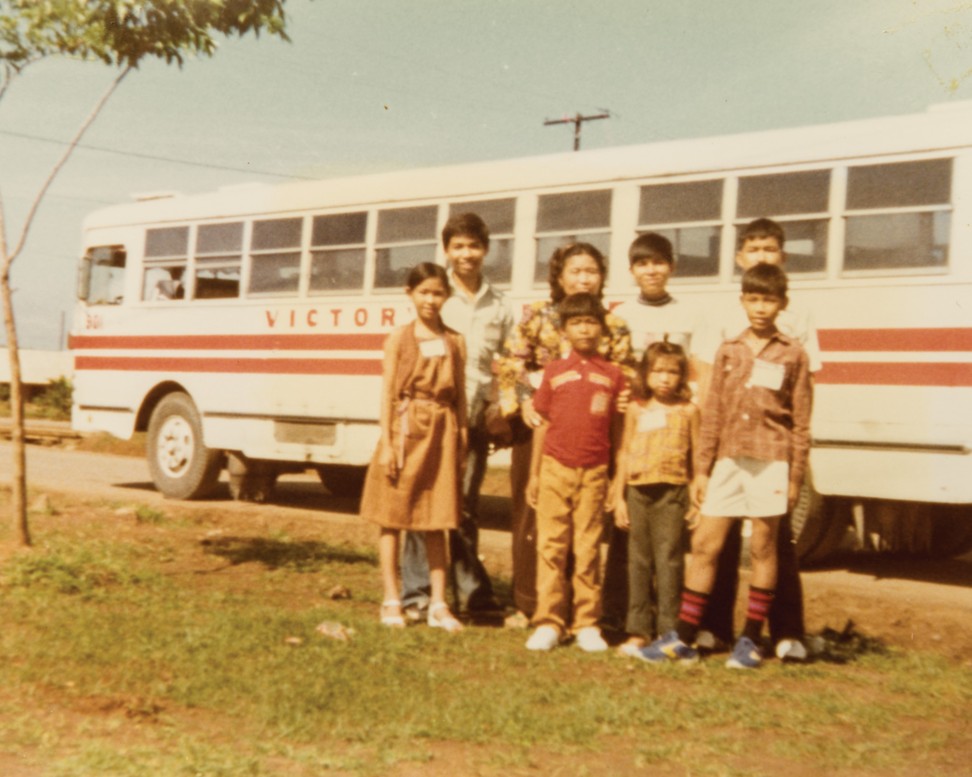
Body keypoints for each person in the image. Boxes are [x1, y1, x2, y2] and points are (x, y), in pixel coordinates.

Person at [641, 263, 812, 668]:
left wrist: (795, 478)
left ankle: (750, 639)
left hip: (771, 460)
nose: (760, 308)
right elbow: (713, 412)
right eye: (753, 299)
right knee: (705, 544)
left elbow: (801, 423)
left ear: (782, 304)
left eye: (769, 299)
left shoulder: (793, 354)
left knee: (763, 548)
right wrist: (702, 470)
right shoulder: (728, 350)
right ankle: (683, 635)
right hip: (728, 461)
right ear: (742, 301)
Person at [692, 218, 821, 662]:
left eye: (771, 249)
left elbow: (802, 394)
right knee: (718, 539)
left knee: (773, 543)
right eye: (754, 249)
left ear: (782, 258)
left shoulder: (797, 318)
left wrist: (796, 466)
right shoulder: (721, 316)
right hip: (730, 444)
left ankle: (785, 631)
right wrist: (705, 458)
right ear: (739, 257)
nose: (762, 256)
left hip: (771, 448)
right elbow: (708, 380)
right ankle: (712, 628)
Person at [496, 243, 633, 628]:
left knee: (587, 525)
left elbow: (626, 373)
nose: (583, 278)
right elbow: (511, 361)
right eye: (575, 271)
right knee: (534, 515)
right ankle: (530, 604)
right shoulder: (538, 317)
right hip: (540, 429)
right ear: (559, 277)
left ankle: (582, 610)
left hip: (591, 433)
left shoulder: (613, 324)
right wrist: (523, 400)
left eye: (591, 270)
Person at [400, 213, 513, 621]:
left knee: (463, 506)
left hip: (474, 418)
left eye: (474, 246)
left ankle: (470, 595)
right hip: (431, 417)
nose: (467, 254)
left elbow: (508, 363)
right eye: (458, 246)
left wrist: (500, 411)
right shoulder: (436, 294)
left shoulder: (500, 305)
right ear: (446, 251)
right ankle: (415, 595)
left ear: (486, 249)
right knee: (421, 503)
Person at [602, 232, 702, 635]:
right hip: (634, 427)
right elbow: (614, 370)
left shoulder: (690, 314)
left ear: (672, 267)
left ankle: (669, 626)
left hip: (674, 437)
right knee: (630, 545)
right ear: (631, 271)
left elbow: (693, 371)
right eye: (643, 264)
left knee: (668, 551)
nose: (652, 270)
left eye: (659, 262)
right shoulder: (620, 315)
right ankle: (623, 618)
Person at [358, 263, 467, 633]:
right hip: (405, 431)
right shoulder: (399, 339)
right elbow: (388, 393)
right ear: (410, 294)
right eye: (423, 292)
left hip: (441, 432)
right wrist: (388, 444)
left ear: (446, 296)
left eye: (437, 293)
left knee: (438, 520)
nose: (431, 300)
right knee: (393, 517)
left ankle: (438, 602)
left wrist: (461, 439)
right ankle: (392, 596)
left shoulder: (455, 340)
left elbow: (462, 398)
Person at [523, 292, 627, 652]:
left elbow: (618, 432)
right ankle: (549, 621)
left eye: (591, 321)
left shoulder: (613, 375)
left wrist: (616, 477)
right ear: (564, 329)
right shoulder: (553, 371)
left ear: (601, 327)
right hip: (554, 467)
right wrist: (535, 474)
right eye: (577, 322)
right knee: (552, 547)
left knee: (587, 549)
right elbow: (542, 423)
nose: (585, 328)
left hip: (595, 471)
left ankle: (586, 623)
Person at [609, 340, 699, 657]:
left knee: (670, 560)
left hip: (672, 491)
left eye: (672, 372)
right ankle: (638, 629)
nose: (665, 379)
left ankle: (669, 629)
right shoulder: (636, 409)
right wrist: (618, 496)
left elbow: (697, 458)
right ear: (646, 374)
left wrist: (697, 492)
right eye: (658, 371)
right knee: (638, 561)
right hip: (638, 490)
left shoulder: (688, 411)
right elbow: (624, 450)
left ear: (682, 376)